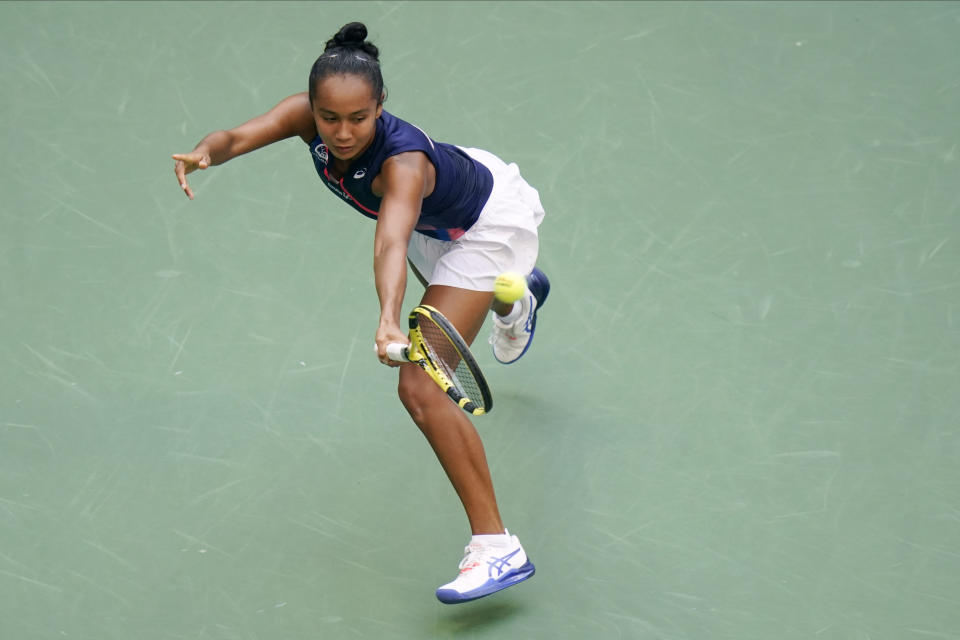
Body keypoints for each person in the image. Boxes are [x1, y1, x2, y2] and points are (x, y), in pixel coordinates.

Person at [172, 22, 549, 604]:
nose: (342, 133)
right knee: (444, 290)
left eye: (358, 119)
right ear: (314, 108)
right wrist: (207, 152)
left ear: (381, 107)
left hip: (482, 224)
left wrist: (389, 321)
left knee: (420, 388)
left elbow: (390, 242)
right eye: (329, 118)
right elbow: (238, 135)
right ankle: (516, 296)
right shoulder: (308, 116)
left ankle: (499, 548)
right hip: (440, 216)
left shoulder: (402, 165)